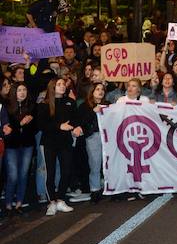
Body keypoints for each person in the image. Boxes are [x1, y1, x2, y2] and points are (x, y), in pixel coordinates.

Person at [36, 78, 79, 215]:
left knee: (66, 171)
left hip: (65, 142)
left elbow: (75, 119)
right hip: (49, 143)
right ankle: (51, 202)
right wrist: (59, 126)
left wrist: (75, 127)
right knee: (50, 172)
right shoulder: (44, 104)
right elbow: (42, 125)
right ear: (52, 87)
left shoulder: (70, 102)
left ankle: (60, 199)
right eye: (58, 85)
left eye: (63, 84)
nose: (62, 87)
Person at [4, 83, 36, 214]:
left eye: (24, 89)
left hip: (27, 144)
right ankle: (7, 203)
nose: (22, 92)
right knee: (13, 175)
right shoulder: (6, 108)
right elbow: (8, 129)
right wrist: (20, 124)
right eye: (19, 90)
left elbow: (36, 127)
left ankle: (19, 203)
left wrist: (30, 121)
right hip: (12, 145)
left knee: (23, 174)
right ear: (13, 92)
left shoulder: (32, 107)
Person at [77, 83, 106, 203]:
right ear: (92, 92)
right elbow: (82, 122)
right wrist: (93, 111)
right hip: (93, 136)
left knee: (107, 163)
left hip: (107, 137)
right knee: (95, 163)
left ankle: (108, 187)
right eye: (97, 89)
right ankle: (95, 190)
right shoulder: (84, 106)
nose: (100, 91)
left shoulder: (107, 104)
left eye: (102, 89)